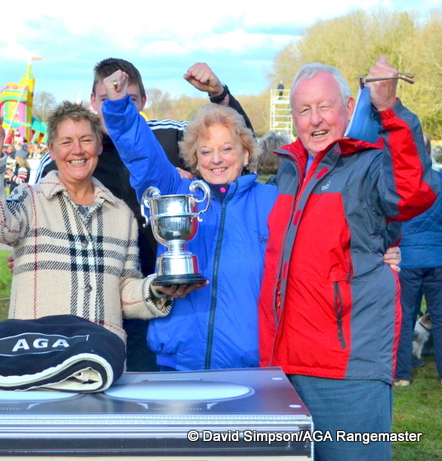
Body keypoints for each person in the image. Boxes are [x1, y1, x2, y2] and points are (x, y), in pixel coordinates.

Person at [258, 57, 440, 460]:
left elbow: (415, 191)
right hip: (283, 364)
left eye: (325, 106)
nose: (315, 119)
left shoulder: (370, 164)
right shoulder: (288, 171)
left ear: (348, 106)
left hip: (346, 370)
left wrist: (389, 107)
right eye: (304, 110)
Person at [33, 58, 253, 371]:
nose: (117, 104)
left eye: (128, 98)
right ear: (94, 101)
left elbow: (236, 146)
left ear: (143, 101)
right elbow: (33, 218)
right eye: (108, 98)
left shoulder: (169, 138)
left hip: (169, 296)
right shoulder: (72, 156)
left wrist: (219, 95)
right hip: (99, 300)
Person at [102, 70, 279, 371]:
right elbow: (142, 154)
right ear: (194, 158)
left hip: (249, 366)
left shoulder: (271, 202)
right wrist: (119, 106)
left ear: (246, 153)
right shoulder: (176, 193)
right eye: (205, 151)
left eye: (227, 148)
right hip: (180, 363)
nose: (216, 159)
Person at [0, 101, 177, 342]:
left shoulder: (121, 215)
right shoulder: (29, 199)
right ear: (51, 149)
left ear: (99, 146)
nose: (77, 150)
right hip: (38, 358)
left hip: (100, 358)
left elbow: (123, 292)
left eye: (86, 140)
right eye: (66, 142)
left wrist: (155, 288)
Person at [394, 168, 442, 386]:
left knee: (404, 316)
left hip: (408, 258)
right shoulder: (438, 180)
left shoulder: (398, 181)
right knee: (439, 318)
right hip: (436, 257)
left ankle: (403, 374)